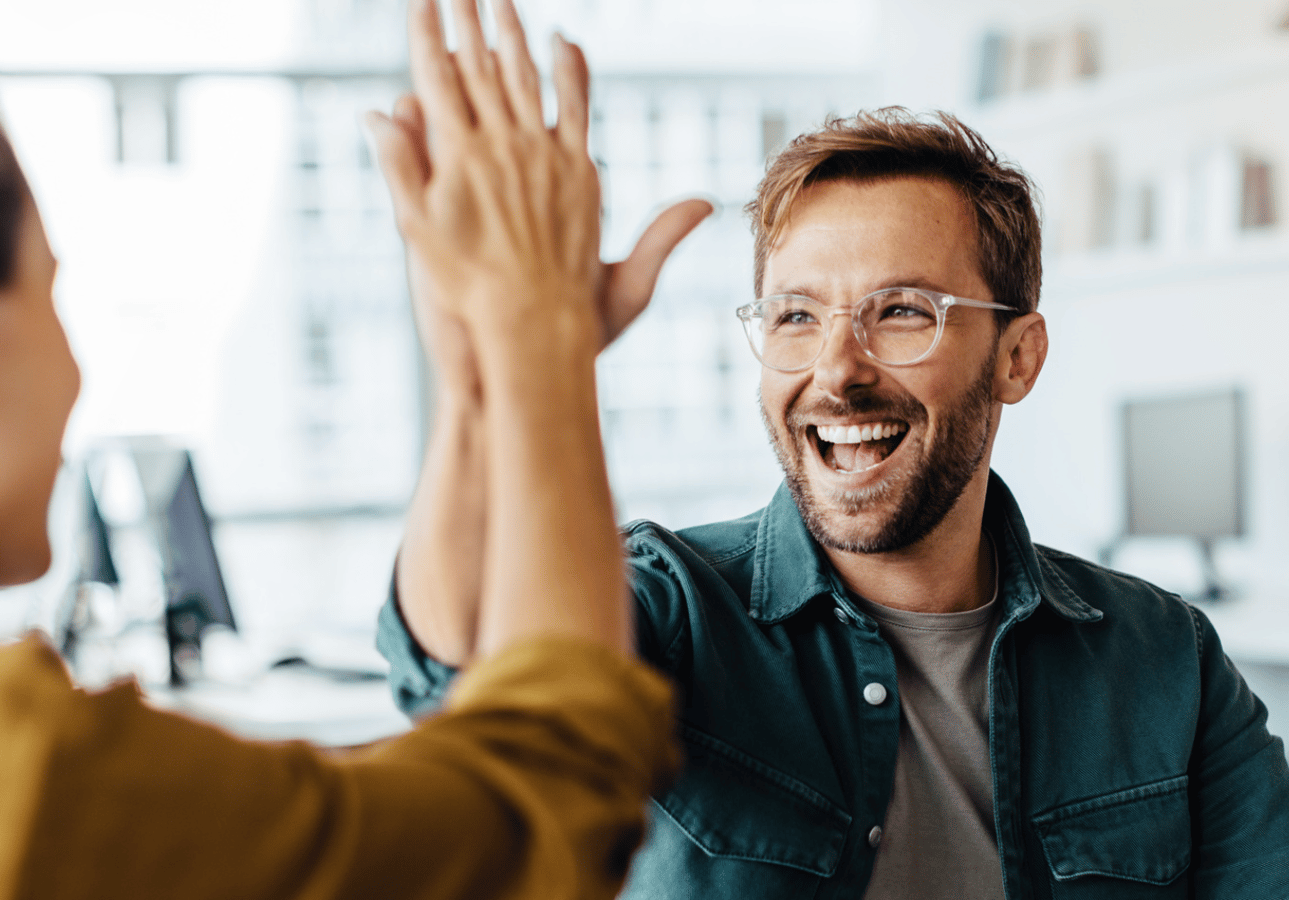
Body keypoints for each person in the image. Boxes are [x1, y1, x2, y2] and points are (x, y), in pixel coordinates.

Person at [0, 0, 709, 896]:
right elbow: (539, 817)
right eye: (51, 289)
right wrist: (538, 331)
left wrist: (488, 382)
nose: (79, 372)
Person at [379, 103, 1289, 895]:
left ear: (1018, 358)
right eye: (796, 316)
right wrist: (487, 380)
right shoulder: (671, 608)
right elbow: (459, 666)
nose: (836, 373)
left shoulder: (1169, 663)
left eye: (901, 311)